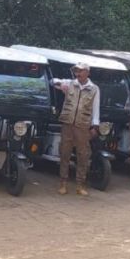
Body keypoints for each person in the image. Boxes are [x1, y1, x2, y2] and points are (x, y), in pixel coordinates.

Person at [51, 62, 100, 196]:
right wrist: (61, 85)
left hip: (83, 126)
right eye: (76, 71)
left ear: (87, 73)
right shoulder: (70, 83)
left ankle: (80, 184)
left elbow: (96, 108)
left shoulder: (94, 89)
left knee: (83, 155)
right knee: (65, 153)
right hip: (68, 124)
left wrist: (95, 125)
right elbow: (53, 81)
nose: (78, 73)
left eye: (80, 71)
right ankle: (63, 183)